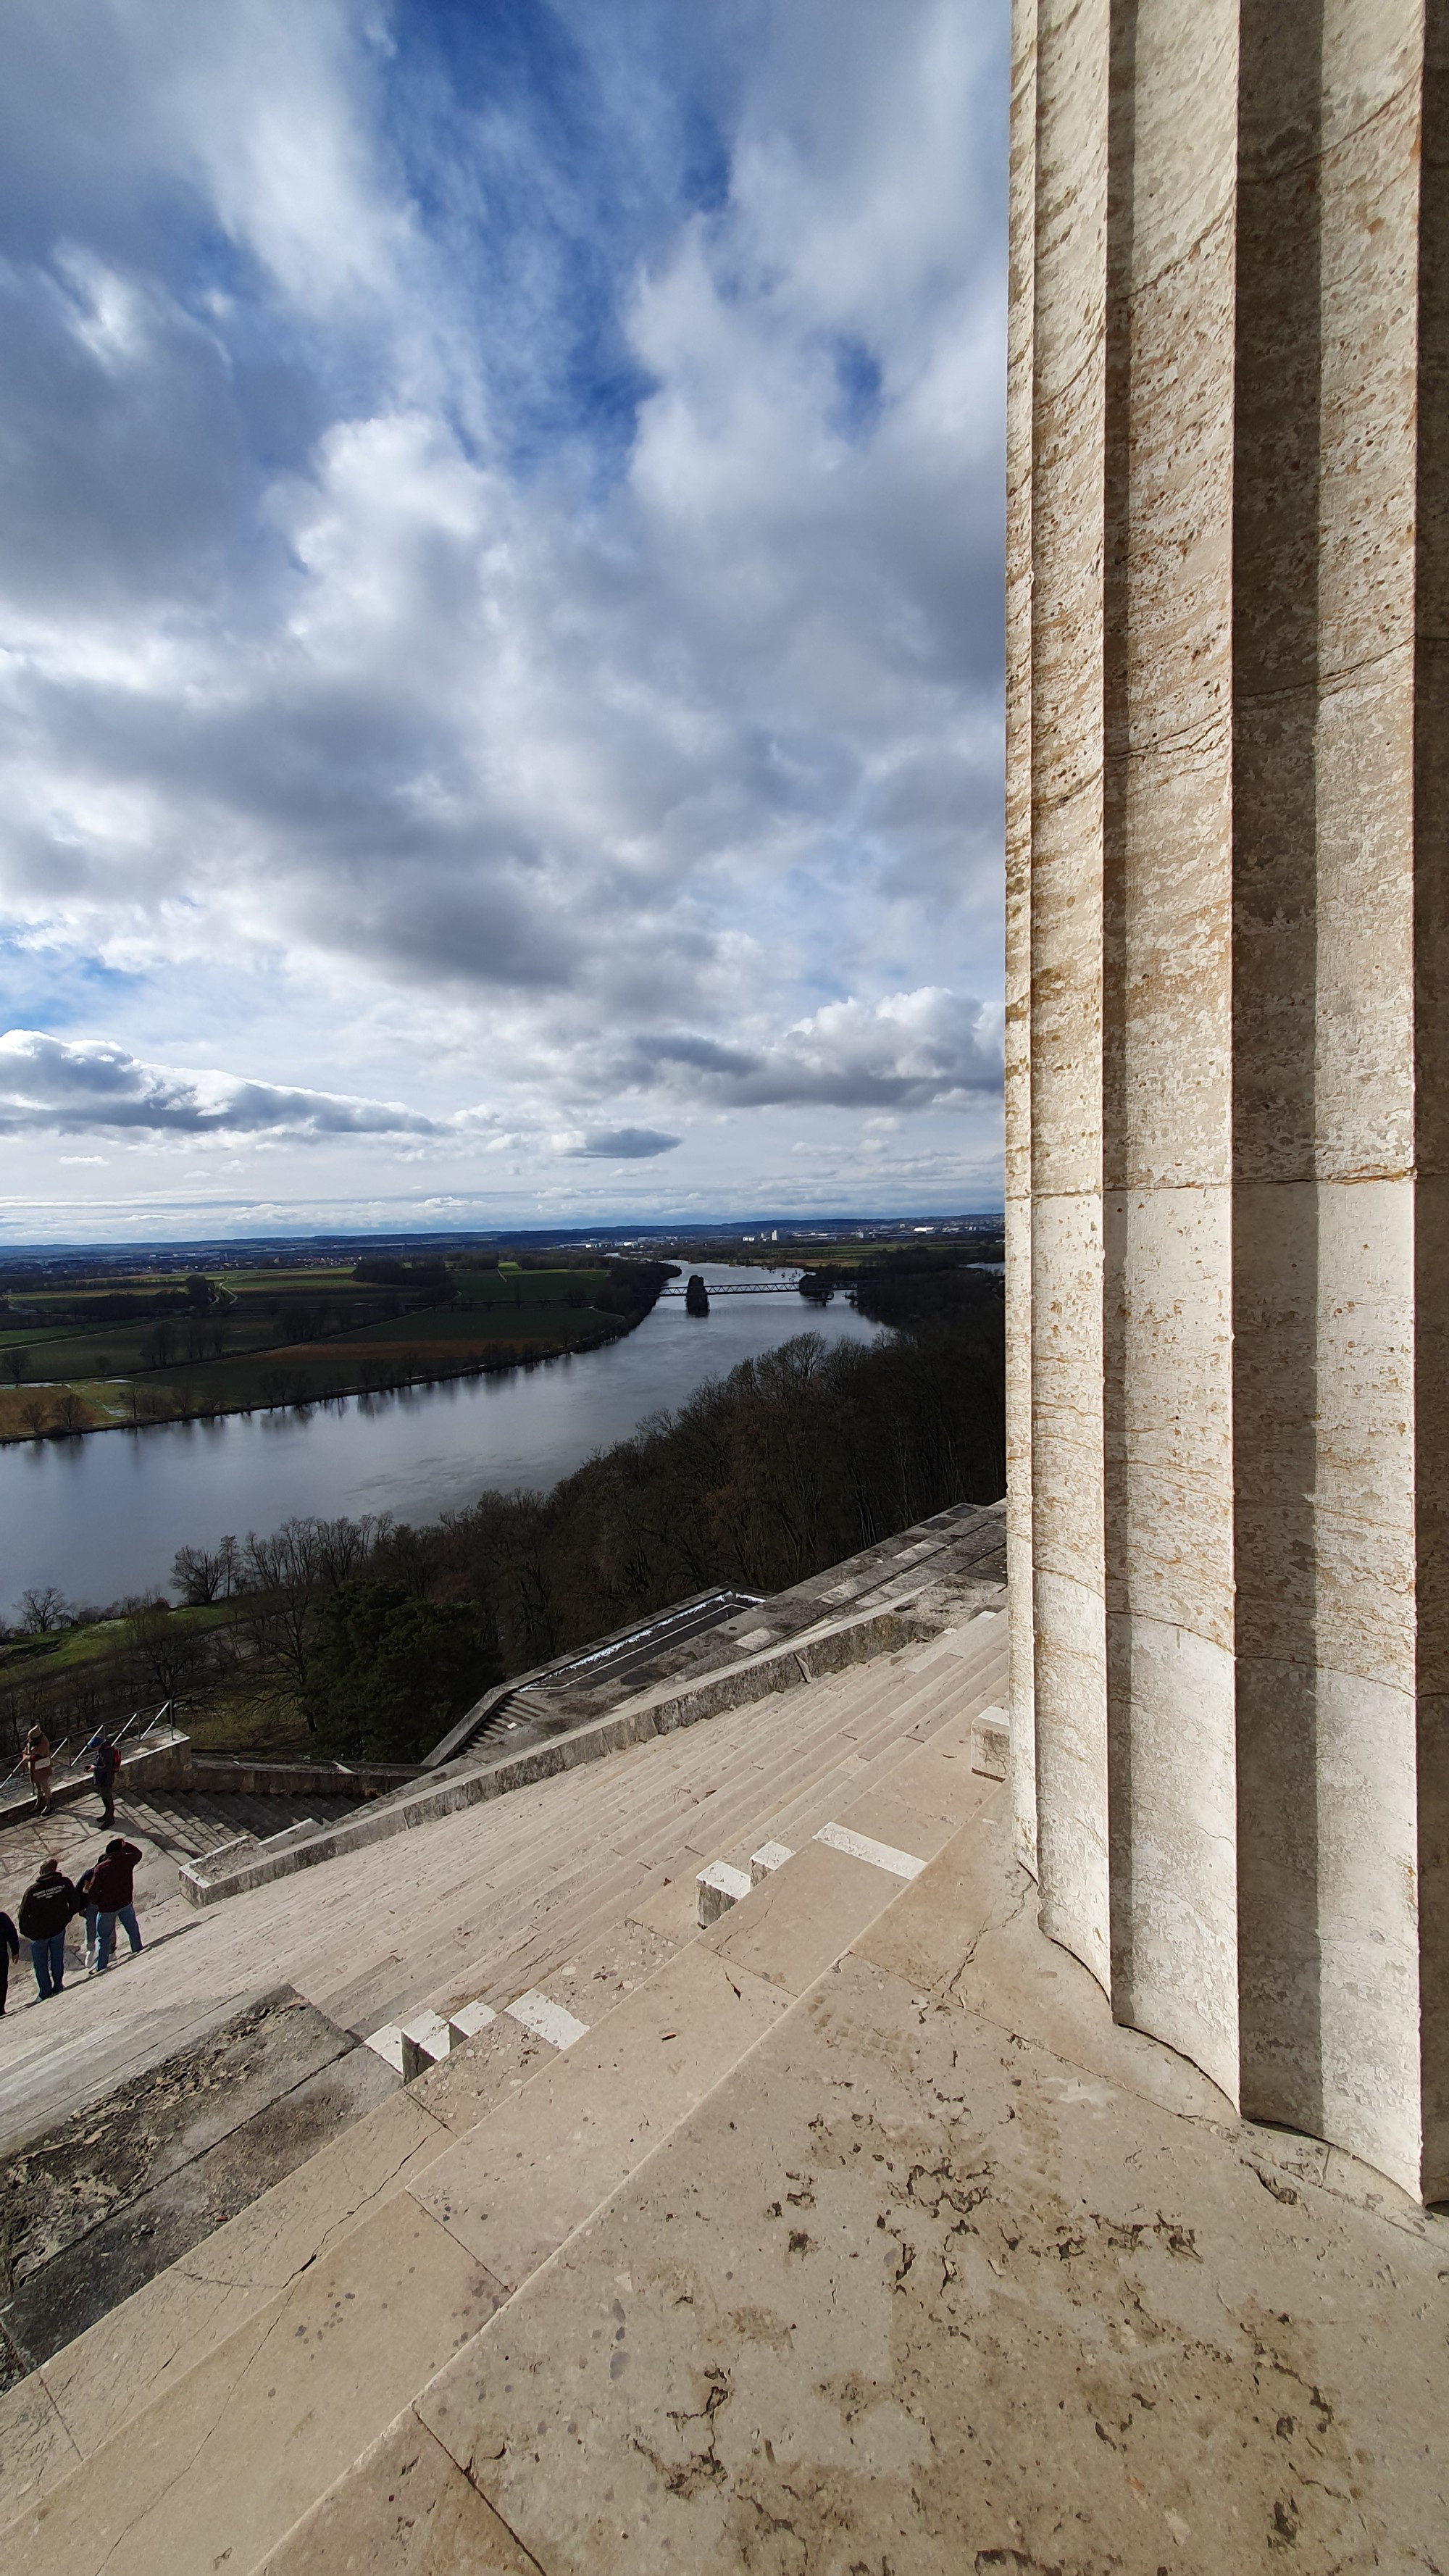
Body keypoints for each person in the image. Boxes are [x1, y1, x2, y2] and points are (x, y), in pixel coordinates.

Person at [17, 1858, 78, 1998]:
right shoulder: (64, 1883)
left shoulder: (32, 1891)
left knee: (40, 1965)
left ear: (42, 1872)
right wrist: (66, 1918)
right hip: (58, 1929)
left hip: (38, 1935)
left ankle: (45, 1992)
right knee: (57, 1959)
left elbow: (23, 1915)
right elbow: (75, 1902)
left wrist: (28, 1933)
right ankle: (58, 1985)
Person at [90, 1837, 143, 1972]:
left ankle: (101, 1966)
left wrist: (96, 1903)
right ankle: (137, 1949)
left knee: (103, 1938)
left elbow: (93, 1891)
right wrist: (126, 1845)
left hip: (106, 1908)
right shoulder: (126, 1860)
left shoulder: (101, 1868)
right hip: (125, 1902)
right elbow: (138, 1853)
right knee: (132, 1928)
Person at [88, 1732, 121, 1826]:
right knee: (104, 1798)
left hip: (106, 1779)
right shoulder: (103, 1751)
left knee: (108, 1798)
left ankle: (110, 1819)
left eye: (93, 1748)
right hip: (102, 1779)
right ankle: (107, 1815)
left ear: (98, 1746)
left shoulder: (107, 1752)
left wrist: (95, 1768)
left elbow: (107, 1768)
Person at [74, 1862, 99, 1972]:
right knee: (90, 1926)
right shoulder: (89, 1874)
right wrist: (80, 1908)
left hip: (105, 1902)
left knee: (108, 1926)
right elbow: (78, 1891)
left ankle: (111, 1950)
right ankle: (91, 1950)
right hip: (91, 1904)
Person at [23, 1726, 52, 1815]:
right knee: (38, 1787)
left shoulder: (44, 1742)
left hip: (42, 1768)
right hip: (34, 1769)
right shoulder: (33, 1741)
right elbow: (27, 1749)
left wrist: (26, 1757)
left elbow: (37, 1757)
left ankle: (49, 1804)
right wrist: (24, 1753)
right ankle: (39, 1802)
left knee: (45, 1787)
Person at [0, 1907, 17, 2014]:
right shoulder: (2, 1917)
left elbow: (11, 1933)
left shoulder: (2, 1918)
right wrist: (15, 1950)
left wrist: (15, 1950)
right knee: (1, 1983)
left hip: (1, 1957)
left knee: (1, 1983)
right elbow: (12, 1933)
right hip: (1, 1957)